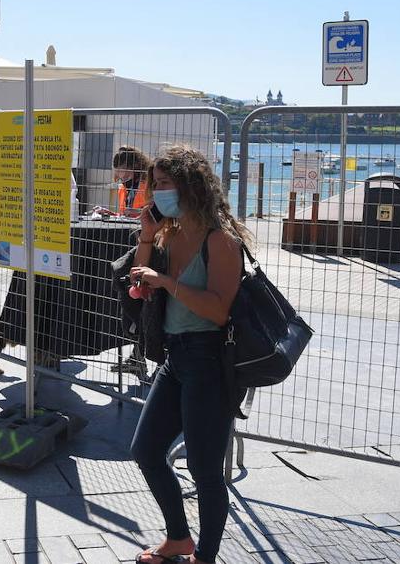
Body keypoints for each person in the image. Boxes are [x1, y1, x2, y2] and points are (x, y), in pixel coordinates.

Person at [126, 145, 248, 564]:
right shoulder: (168, 233)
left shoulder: (221, 240)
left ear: (191, 185)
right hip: (175, 357)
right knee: (145, 451)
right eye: (154, 184)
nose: (157, 192)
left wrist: (164, 281)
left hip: (209, 361)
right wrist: (145, 237)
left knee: (205, 470)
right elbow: (139, 282)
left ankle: (206, 557)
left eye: (165, 184)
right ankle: (179, 538)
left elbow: (217, 310)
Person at [95, 145, 151, 218]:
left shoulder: (150, 185)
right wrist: (110, 214)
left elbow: (158, 213)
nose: (124, 182)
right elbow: (125, 216)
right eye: (121, 179)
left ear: (137, 167)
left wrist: (139, 212)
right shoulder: (123, 188)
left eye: (126, 177)